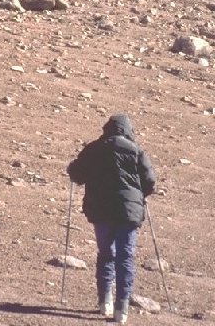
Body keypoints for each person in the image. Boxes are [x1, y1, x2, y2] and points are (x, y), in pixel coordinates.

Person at [67, 113, 157, 324]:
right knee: (125, 256)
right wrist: (139, 194)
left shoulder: (94, 149)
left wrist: (71, 168)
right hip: (128, 212)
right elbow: (150, 182)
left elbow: (77, 175)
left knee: (106, 253)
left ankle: (104, 302)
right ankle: (121, 309)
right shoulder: (136, 151)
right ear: (128, 130)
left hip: (101, 209)